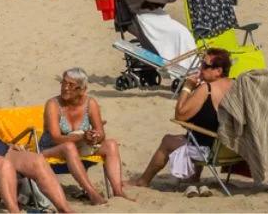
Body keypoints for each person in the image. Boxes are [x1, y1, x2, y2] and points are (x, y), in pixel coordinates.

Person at [130, 48, 233, 193]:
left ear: (218, 71)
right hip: (231, 148)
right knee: (199, 128)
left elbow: (180, 115)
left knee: (167, 141)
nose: (200, 69)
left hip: (210, 150)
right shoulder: (235, 85)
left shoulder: (207, 89)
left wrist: (187, 88)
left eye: (205, 66)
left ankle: (143, 181)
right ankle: (194, 178)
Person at [41, 68, 130, 202]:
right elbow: (56, 137)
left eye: (71, 85)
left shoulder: (90, 103)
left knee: (111, 144)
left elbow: (101, 133)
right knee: (69, 147)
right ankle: (92, 193)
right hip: (52, 148)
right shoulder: (53, 104)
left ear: (82, 90)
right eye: (63, 83)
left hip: (80, 148)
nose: (65, 88)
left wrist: (94, 136)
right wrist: (82, 136)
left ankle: (117, 191)